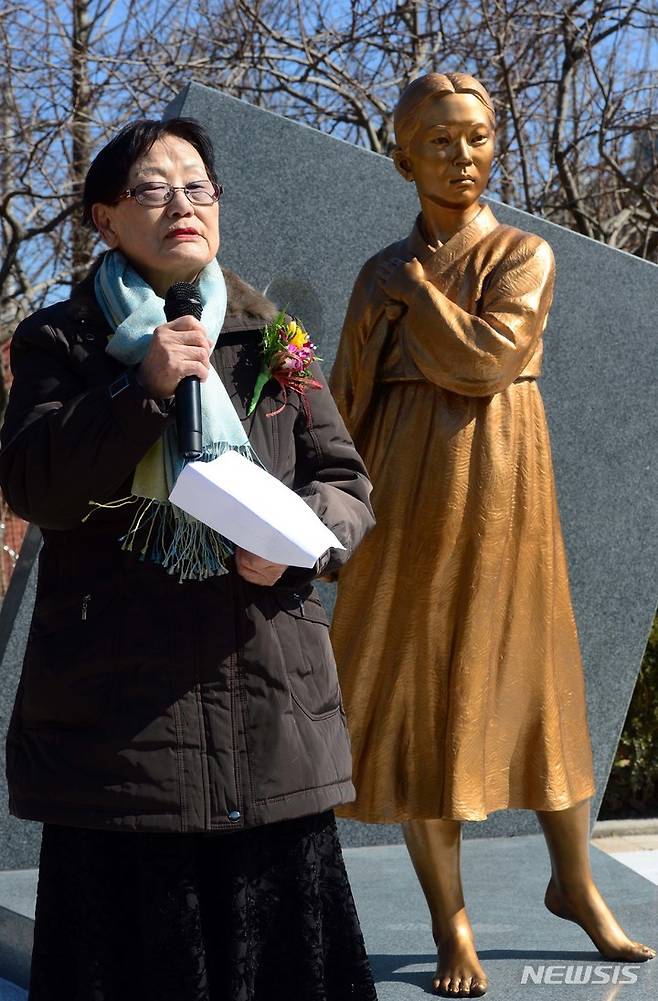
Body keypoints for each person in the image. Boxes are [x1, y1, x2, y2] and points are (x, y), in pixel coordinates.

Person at [0, 117, 378, 1001]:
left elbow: (346, 485)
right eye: (155, 187)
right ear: (106, 219)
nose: (183, 204)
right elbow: (36, 488)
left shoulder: (268, 337)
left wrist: (293, 546)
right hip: (120, 741)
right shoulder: (61, 343)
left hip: (268, 714)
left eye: (199, 186)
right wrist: (141, 392)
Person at [329, 72, 655, 998]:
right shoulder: (375, 272)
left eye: (475, 138)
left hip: (504, 485)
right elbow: (350, 395)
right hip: (406, 493)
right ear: (404, 156)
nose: (461, 157)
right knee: (426, 696)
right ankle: (452, 920)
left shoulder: (523, 253)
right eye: (439, 141)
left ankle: (577, 884)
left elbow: (484, 361)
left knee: (536, 683)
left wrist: (412, 294)